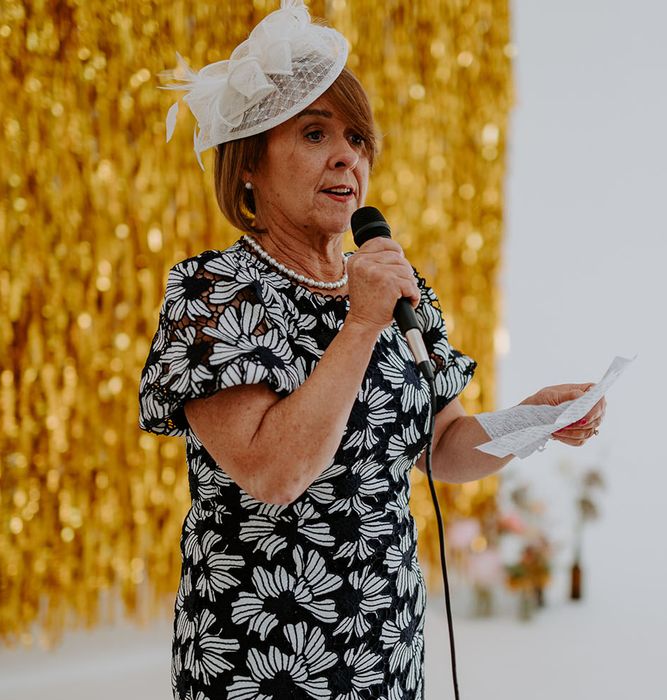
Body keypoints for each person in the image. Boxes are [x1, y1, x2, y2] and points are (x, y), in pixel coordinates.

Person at [138, 2, 606, 698]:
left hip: (385, 646)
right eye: (315, 132)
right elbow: (274, 474)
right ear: (249, 166)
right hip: (261, 657)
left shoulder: (392, 286)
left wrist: (529, 420)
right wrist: (359, 326)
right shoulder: (216, 294)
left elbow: (441, 444)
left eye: (357, 138)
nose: (346, 156)